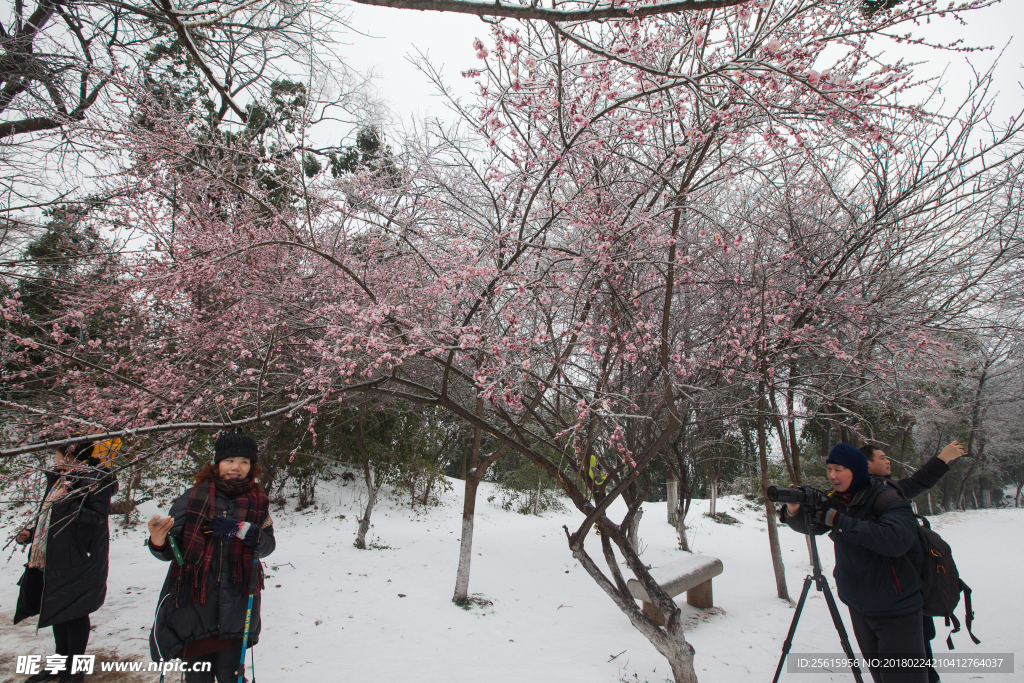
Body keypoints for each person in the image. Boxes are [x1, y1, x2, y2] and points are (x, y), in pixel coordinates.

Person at [780, 444, 926, 683]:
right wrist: (794, 512)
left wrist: (840, 521)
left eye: (839, 469)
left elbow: (895, 540)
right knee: (880, 676)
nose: (832, 475)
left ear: (857, 470)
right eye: (829, 469)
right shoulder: (837, 500)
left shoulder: (889, 498)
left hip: (896, 609)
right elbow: (816, 525)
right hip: (859, 606)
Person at [147, 431, 275, 683]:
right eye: (229, 461)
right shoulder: (192, 498)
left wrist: (240, 529)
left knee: (231, 677)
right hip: (195, 606)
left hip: (236, 606)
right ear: (217, 463)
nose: (236, 467)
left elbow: (267, 545)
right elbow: (172, 552)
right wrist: (158, 540)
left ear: (252, 466)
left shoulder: (258, 500)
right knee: (198, 678)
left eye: (244, 462)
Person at [14, 441, 119, 683]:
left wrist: (68, 501)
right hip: (54, 555)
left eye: (57, 455)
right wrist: (32, 533)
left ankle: (76, 672)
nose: (55, 460)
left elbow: (95, 517)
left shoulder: (95, 480)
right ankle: (59, 665)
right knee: (58, 610)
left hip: (79, 558)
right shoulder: (60, 480)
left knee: (76, 613)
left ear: (70, 456)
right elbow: (49, 516)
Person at [862, 440, 965, 683]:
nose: (888, 461)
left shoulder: (887, 487)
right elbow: (916, 483)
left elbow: (918, 482)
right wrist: (941, 459)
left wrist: (943, 459)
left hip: (909, 583)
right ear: (866, 465)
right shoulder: (870, 494)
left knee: (919, 654)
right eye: (882, 457)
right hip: (895, 591)